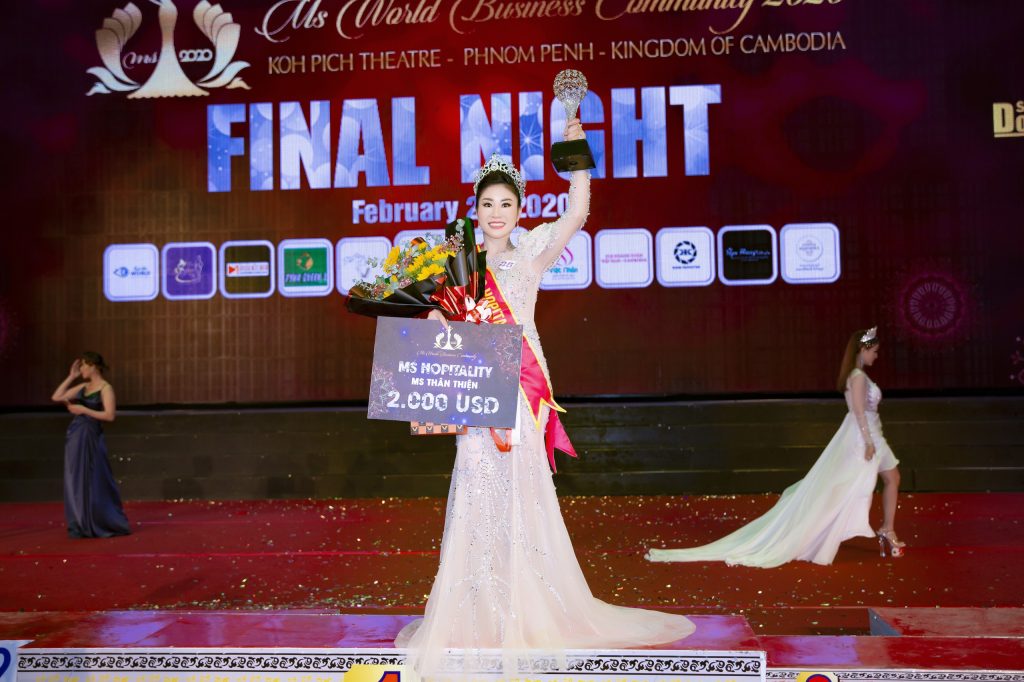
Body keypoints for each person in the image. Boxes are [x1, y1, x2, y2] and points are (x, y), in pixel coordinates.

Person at [397, 120, 695, 676]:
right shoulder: (455, 262)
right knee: (475, 486)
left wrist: (575, 151)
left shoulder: (531, 252)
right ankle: (477, 608)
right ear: (475, 209)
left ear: (519, 209)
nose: (496, 213)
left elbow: (577, 214)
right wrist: (432, 321)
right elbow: (440, 319)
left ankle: (526, 607)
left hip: (521, 389)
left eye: (506, 204)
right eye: (488, 203)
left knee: (520, 489)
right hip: (476, 391)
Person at [647, 327, 905, 568]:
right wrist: (868, 442)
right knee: (845, 487)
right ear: (862, 350)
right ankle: (827, 529)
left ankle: (886, 528)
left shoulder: (858, 376)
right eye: (873, 350)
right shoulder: (857, 377)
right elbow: (858, 411)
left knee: (888, 478)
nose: (876, 355)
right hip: (864, 437)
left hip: (872, 434)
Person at [51, 352, 131, 538]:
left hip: (91, 436)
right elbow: (56, 397)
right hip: (76, 435)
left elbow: (110, 415)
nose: (81, 370)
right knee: (76, 478)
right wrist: (71, 377)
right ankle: (80, 522)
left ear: (94, 366)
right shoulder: (83, 386)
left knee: (95, 477)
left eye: (84, 366)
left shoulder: (105, 388)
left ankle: (99, 520)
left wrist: (83, 409)